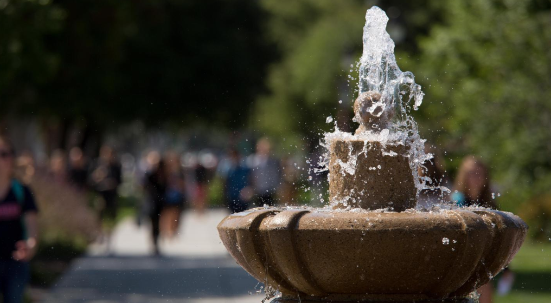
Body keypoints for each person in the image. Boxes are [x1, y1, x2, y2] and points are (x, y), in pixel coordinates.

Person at [451, 156, 496, 303]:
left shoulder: (489, 201)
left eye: (479, 173)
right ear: (463, 176)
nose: (476, 177)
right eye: (471, 173)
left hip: (483, 258)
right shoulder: (456, 200)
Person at [0, 135, 39, 303]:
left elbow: (32, 228)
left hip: (15, 263)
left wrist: (30, 246)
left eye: (3, 154)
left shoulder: (21, 191)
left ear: (12, 159)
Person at [250, 138, 282, 207]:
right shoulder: (253, 161)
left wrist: (278, 187)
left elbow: (276, 175)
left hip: (270, 190)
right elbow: (250, 176)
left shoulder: (273, 161)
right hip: (257, 190)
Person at [144, 160, 167, 255]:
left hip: (159, 203)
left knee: (157, 224)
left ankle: (156, 242)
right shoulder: (151, 175)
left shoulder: (164, 176)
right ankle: (154, 242)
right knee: (154, 223)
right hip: (152, 202)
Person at [161, 151, 186, 238]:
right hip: (167, 195)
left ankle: (173, 230)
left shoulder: (180, 172)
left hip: (177, 196)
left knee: (176, 213)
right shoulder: (165, 171)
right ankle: (167, 230)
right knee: (167, 213)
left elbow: (183, 184)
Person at [223, 149, 251, 213]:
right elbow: (225, 183)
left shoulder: (245, 168)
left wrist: (249, 189)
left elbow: (250, 180)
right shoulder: (228, 169)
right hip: (232, 196)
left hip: (243, 196)